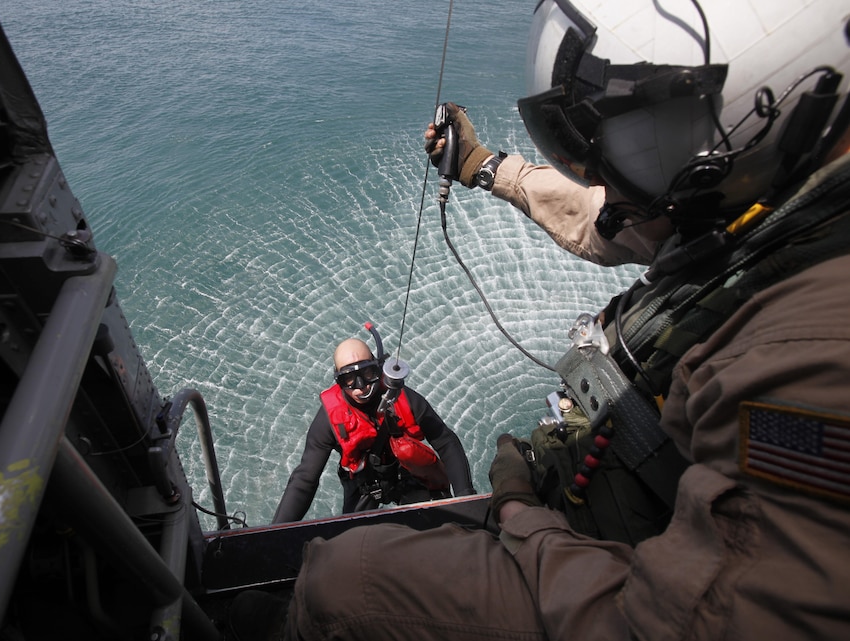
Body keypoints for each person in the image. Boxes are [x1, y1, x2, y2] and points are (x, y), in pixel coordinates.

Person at [232, 0, 850, 639]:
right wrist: (486, 168)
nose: (614, 192)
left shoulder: (811, 362)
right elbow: (610, 217)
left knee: (343, 580)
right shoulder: (753, 207)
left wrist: (526, 516)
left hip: (598, 554)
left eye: (637, 155)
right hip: (595, 503)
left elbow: (679, 624)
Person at [271, 330, 476, 523]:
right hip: (364, 485)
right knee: (351, 541)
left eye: (368, 373)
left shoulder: (404, 399)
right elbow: (305, 479)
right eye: (349, 378)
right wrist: (275, 532)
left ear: (378, 368)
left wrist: (465, 497)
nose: (361, 385)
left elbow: (445, 441)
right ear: (338, 381)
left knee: (439, 529)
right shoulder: (328, 420)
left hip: (409, 475)